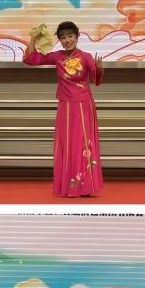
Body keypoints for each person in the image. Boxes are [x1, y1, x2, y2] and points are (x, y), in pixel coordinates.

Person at [23, 21, 104, 197]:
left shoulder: (86, 57)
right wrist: (33, 38)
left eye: (70, 36)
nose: (67, 40)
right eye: (63, 38)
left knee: (82, 144)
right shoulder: (57, 57)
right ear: (60, 40)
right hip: (65, 106)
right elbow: (31, 59)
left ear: (77, 36)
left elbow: (95, 78)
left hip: (83, 105)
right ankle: (69, 186)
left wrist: (99, 68)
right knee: (67, 145)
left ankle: (85, 186)